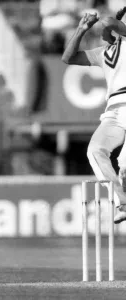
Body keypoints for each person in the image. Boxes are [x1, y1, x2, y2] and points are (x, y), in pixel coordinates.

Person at [62, 7, 126, 224]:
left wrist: (107, 29)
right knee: (95, 150)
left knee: (124, 164)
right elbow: (68, 57)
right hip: (113, 111)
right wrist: (81, 29)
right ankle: (123, 201)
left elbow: (108, 21)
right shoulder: (105, 52)